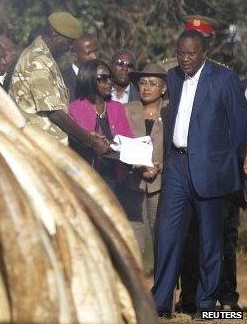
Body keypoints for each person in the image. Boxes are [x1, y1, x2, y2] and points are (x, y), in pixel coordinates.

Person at [151, 30, 247, 319]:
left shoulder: (224, 78)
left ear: (204, 52)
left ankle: (206, 306)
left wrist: (221, 160)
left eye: (191, 53)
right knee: (167, 234)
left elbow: (240, 127)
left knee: (210, 241)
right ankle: (160, 302)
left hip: (211, 169)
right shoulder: (174, 76)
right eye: (180, 52)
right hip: (177, 166)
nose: (185, 59)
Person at [8, 12, 110, 157]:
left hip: (45, 146)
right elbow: (55, 113)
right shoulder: (38, 61)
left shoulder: (45, 57)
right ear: (54, 34)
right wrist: (90, 140)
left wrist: (87, 134)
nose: (69, 48)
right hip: (37, 148)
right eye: (68, 43)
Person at [121, 64, 169, 272]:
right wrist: (139, 165)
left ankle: (164, 297)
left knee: (163, 238)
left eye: (153, 84)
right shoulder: (127, 109)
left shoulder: (170, 111)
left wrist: (161, 166)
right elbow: (120, 143)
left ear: (163, 88)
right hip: (132, 184)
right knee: (133, 241)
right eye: (142, 83)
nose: (146, 88)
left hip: (162, 183)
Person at [68, 59, 133, 190]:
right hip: (84, 178)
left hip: (115, 178)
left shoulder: (117, 108)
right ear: (88, 79)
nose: (109, 82)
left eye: (110, 77)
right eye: (103, 78)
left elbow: (128, 139)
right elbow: (73, 144)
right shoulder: (74, 109)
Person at [61, 34, 100, 100]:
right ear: (75, 56)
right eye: (88, 53)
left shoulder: (103, 76)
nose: (95, 56)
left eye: (96, 51)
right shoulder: (63, 80)